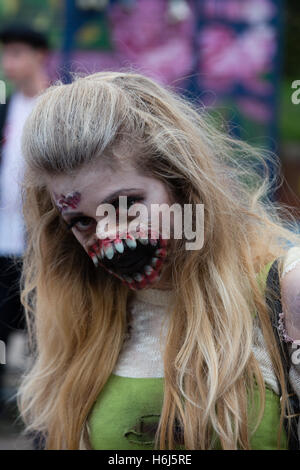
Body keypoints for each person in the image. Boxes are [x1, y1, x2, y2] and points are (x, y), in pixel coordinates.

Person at [18, 71, 300, 450]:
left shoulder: (285, 291)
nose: (107, 236)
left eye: (125, 204)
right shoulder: (75, 319)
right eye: (81, 222)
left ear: (181, 184)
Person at [0, 24, 49, 408]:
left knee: (42, 324)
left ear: (39, 56)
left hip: (41, 241)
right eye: (5, 54)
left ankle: (42, 403)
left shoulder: (55, 106)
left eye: (16, 53)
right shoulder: (5, 107)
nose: (8, 63)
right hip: (3, 236)